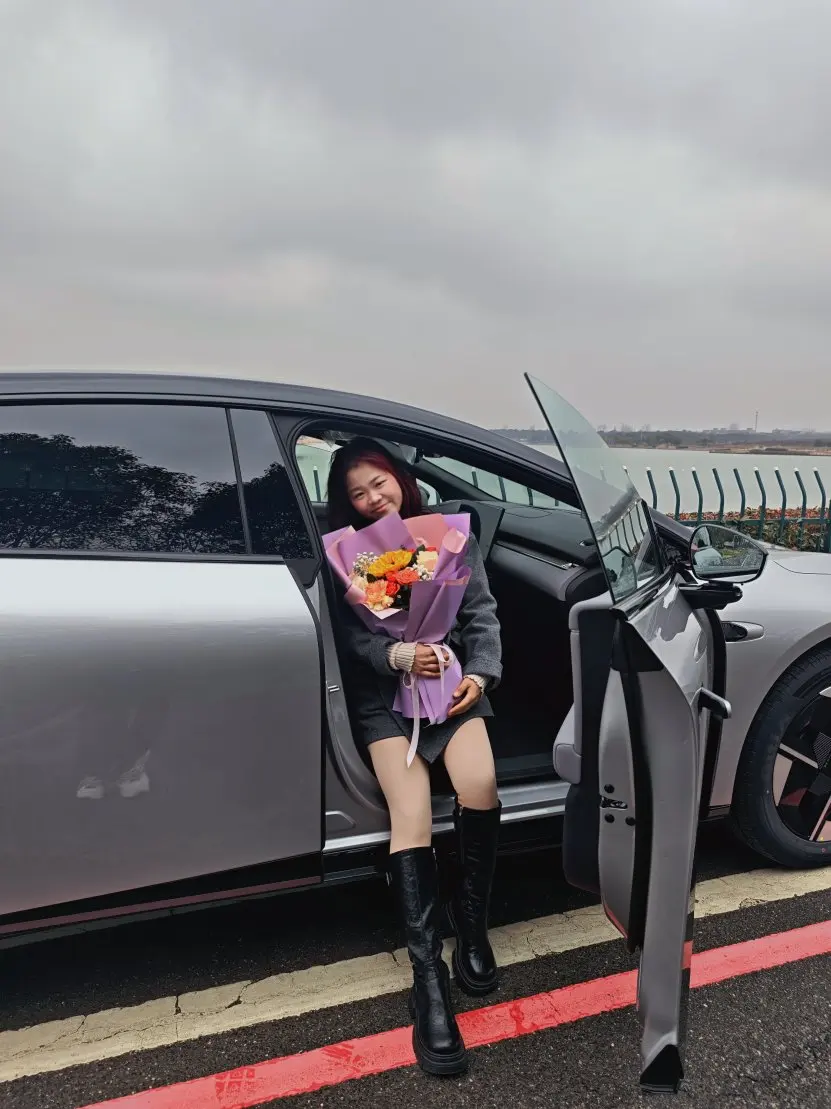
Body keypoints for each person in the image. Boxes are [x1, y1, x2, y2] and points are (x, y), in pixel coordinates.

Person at [326, 437, 503, 1077]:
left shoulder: (448, 536)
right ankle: (428, 979)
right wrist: (395, 654)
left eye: (379, 483)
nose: (373, 499)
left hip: (450, 686)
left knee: (480, 783)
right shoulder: (348, 554)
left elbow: (481, 616)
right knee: (413, 815)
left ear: (400, 478)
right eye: (358, 493)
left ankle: (471, 923)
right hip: (384, 700)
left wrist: (478, 675)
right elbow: (351, 641)